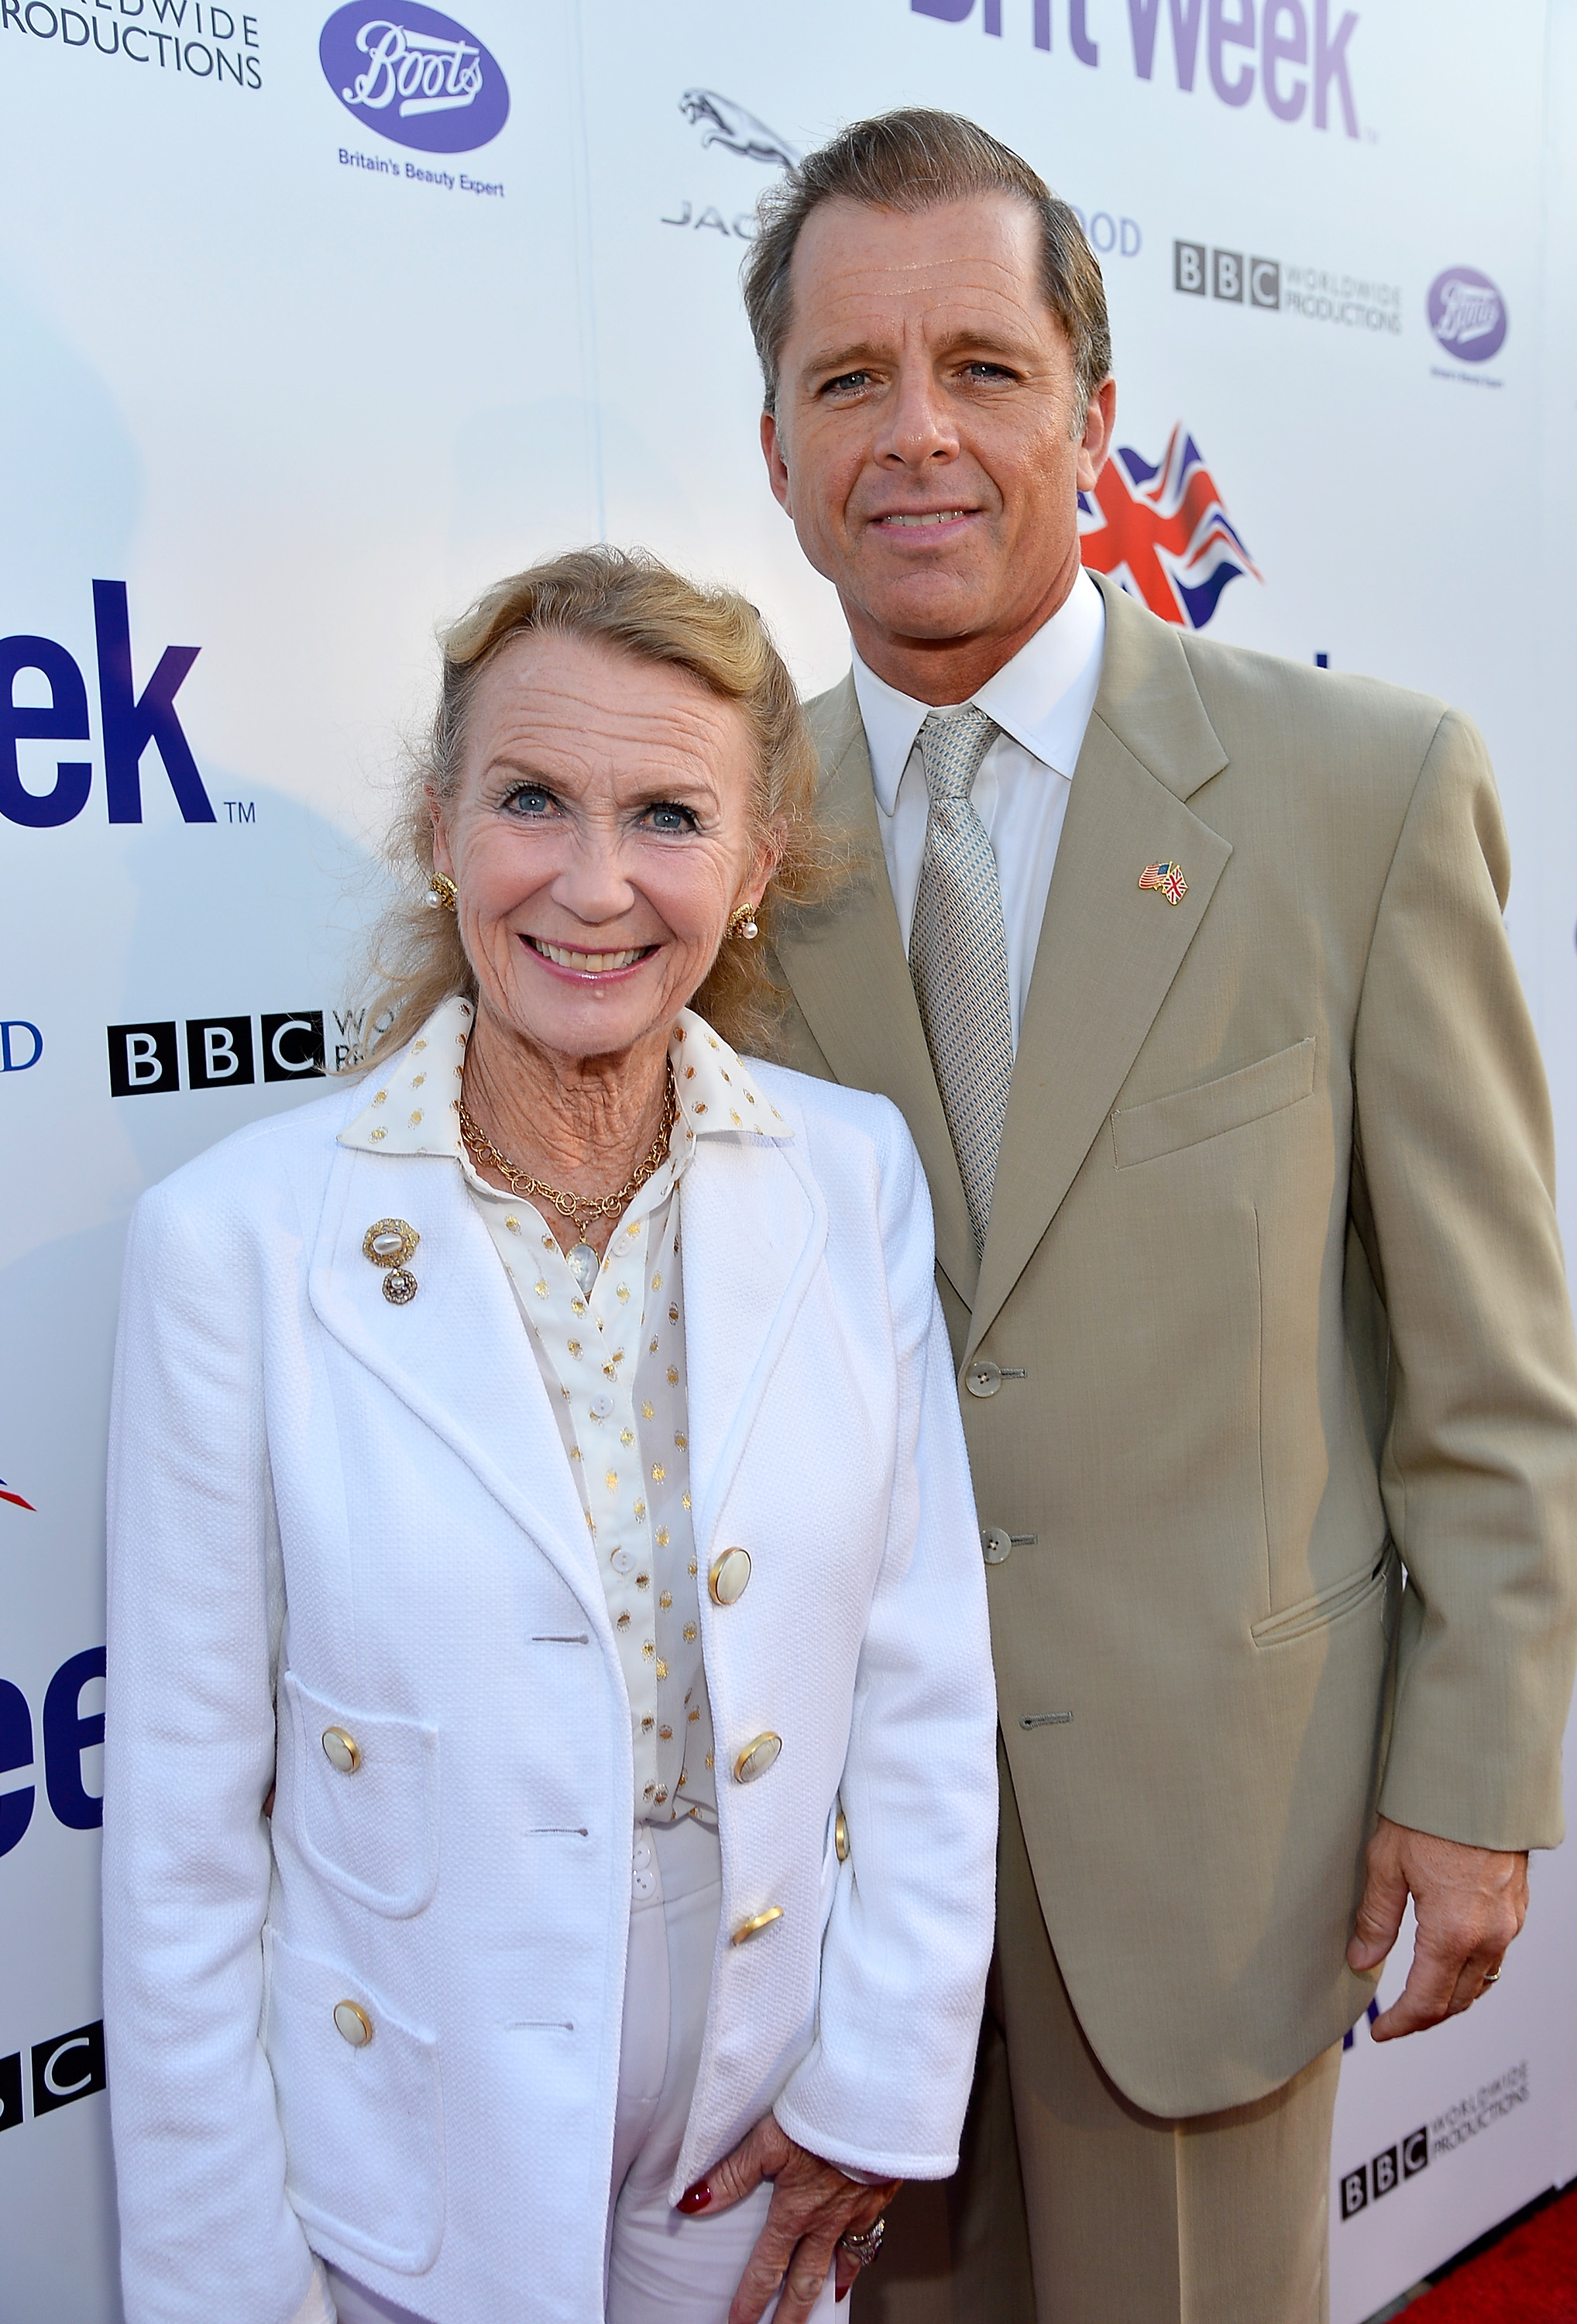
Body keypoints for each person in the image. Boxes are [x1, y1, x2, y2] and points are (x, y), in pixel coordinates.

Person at [741, 108, 1577, 2323]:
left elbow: (1489, 1367)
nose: (914, 435)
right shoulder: (716, 844)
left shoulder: (1357, 790)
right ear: (773, 453)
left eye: (983, 369)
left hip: (1219, 1839)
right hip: (837, 1890)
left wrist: (1476, 1769)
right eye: (848, 381)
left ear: (1092, 417)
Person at [101, 547, 999, 2324]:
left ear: (754, 870)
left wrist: (874, 2085)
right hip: (407, 2128)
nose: (593, 886)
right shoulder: (233, 1246)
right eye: (530, 800)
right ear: (441, 830)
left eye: (667, 815)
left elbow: (919, 1678)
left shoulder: (851, 1177)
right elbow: (184, 1843)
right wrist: (223, 2283)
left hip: (752, 2103)